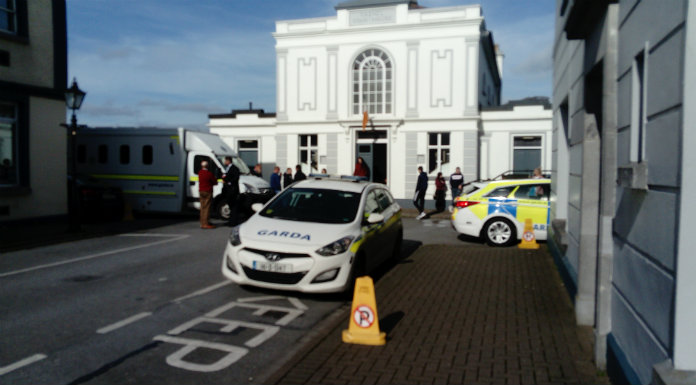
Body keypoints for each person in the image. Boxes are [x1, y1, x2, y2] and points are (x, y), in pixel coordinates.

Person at [198, 160, 217, 229]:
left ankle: (202, 222)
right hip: (208, 191)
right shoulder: (209, 174)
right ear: (207, 166)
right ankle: (205, 223)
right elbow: (215, 182)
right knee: (207, 207)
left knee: (202, 207)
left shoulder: (200, 173)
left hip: (201, 190)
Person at [222, 156, 240, 226]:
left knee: (233, 206)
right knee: (230, 205)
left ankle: (233, 222)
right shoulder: (227, 168)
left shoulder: (234, 168)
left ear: (228, 161)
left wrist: (229, 182)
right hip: (228, 190)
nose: (224, 162)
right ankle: (230, 220)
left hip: (233, 190)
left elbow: (235, 178)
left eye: (225, 161)